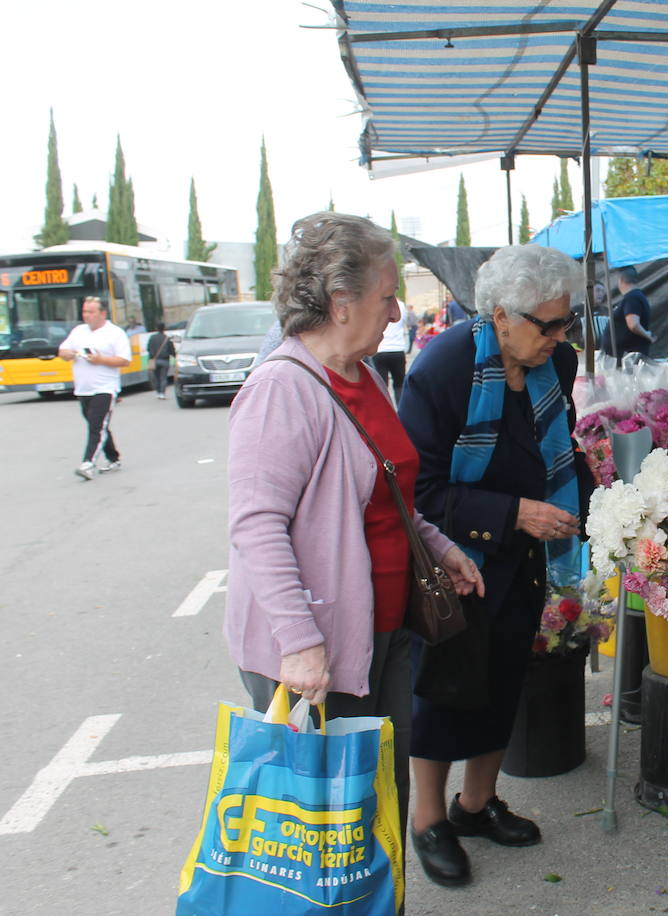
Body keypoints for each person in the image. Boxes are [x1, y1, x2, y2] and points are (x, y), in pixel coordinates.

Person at [224, 211, 485, 893]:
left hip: (384, 629)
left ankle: (374, 904)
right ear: (341, 303)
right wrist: (300, 641)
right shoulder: (282, 388)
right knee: (316, 823)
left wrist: (438, 545)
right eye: (387, 294)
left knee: (373, 802)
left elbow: (388, 490)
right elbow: (256, 527)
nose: (396, 309)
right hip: (316, 647)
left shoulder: (363, 376)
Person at [397, 245, 594, 889]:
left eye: (568, 321)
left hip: (524, 554)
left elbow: (557, 449)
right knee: (445, 687)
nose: (562, 337)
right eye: (550, 324)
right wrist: (513, 514)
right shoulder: (444, 368)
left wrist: (608, 508)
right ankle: (429, 819)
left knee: (508, 675)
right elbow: (418, 492)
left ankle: (475, 807)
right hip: (457, 556)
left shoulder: (554, 362)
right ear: (501, 316)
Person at [58, 296, 131, 480]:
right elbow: (63, 352)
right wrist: (69, 353)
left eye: (91, 312)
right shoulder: (78, 331)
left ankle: (88, 463)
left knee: (96, 426)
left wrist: (101, 360)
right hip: (83, 388)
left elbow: (124, 360)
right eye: (84, 312)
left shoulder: (115, 333)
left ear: (102, 313)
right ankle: (113, 458)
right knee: (97, 426)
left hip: (104, 387)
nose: (87, 316)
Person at [601, 265, 655, 359]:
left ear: (621, 280)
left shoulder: (632, 298)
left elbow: (633, 324)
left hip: (627, 358)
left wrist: (648, 336)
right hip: (624, 357)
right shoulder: (635, 297)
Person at [371, 299, 410, 403]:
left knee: (382, 384)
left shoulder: (376, 303)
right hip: (397, 348)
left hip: (381, 348)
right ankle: (401, 411)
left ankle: (384, 411)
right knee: (399, 383)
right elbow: (405, 322)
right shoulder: (401, 306)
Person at [147, 321, 175, 399]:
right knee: (163, 377)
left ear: (156, 328)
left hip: (154, 361)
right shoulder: (167, 338)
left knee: (156, 377)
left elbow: (148, 348)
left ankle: (158, 392)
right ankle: (162, 393)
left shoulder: (152, 337)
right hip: (165, 361)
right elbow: (172, 351)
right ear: (164, 328)